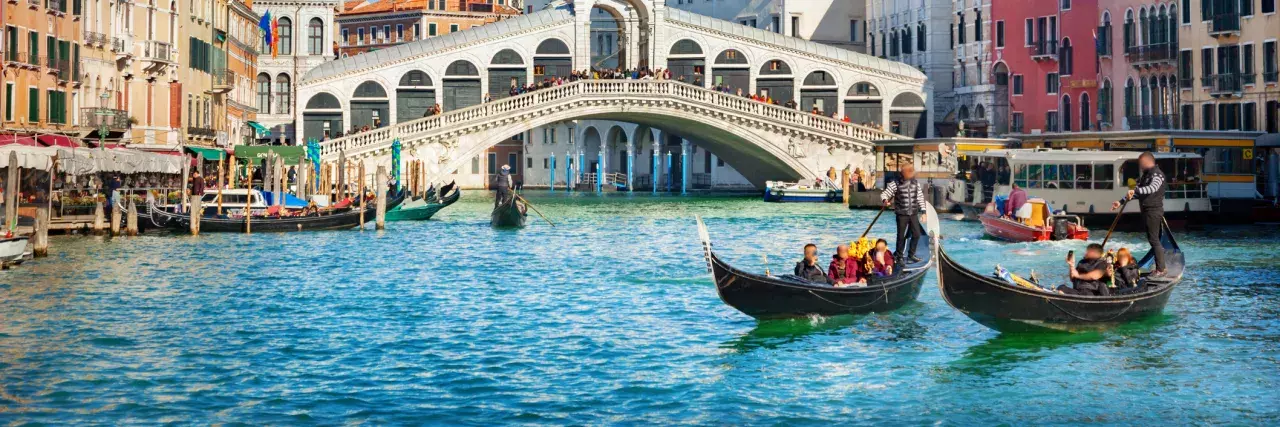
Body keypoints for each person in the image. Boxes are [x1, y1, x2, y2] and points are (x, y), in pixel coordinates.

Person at [1112, 152, 1167, 277]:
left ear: (1147, 162)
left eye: (1141, 163)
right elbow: (1137, 193)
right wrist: (1120, 202)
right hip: (1147, 211)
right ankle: (1159, 267)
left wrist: (1136, 189)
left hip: (1153, 211)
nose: (1140, 166)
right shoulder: (1146, 176)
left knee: (1154, 240)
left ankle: (1161, 269)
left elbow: (1152, 188)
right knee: (1153, 239)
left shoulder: (1157, 175)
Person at [880, 164, 927, 263]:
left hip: (913, 213)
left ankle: (911, 254)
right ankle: (899, 256)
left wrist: (923, 212)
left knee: (917, 234)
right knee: (901, 235)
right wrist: (885, 200)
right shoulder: (895, 183)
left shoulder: (916, 183)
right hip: (901, 213)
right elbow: (884, 194)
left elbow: (920, 198)